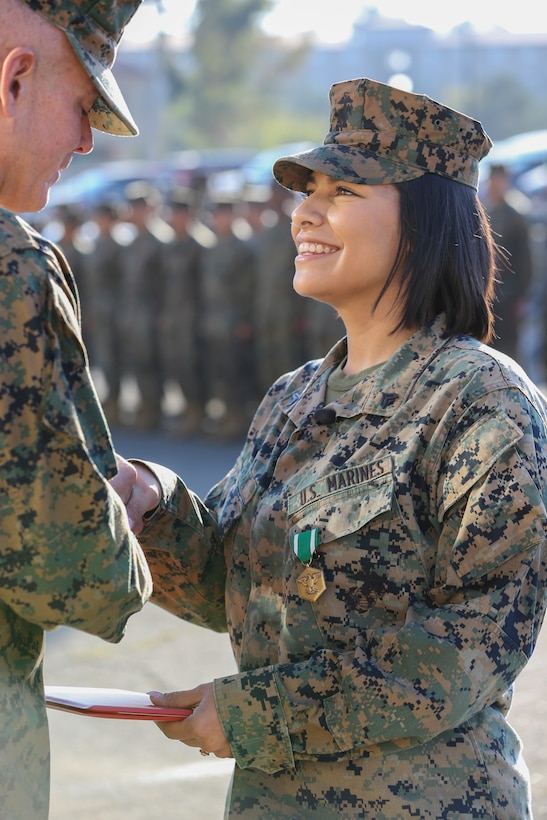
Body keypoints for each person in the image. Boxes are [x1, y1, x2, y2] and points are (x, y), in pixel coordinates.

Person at [115, 78, 547, 818]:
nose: (303, 212)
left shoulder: (481, 402)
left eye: (342, 191)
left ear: (422, 221)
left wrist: (260, 715)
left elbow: (468, 647)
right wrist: (150, 503)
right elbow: (231, 587)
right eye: (306, 189)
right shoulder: (296, 395)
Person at [0, 1, 152, 817]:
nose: (85, 141)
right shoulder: (11, 265)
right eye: (82, 105)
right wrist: (122, 529)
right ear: (15, 79)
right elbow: (66, 568)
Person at [481, 162, 533, 365]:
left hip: (510, 294)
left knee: (510, 351)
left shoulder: (516, 215)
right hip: (487, 294)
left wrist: (522, 295)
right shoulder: (485, 210)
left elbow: (525, 260)